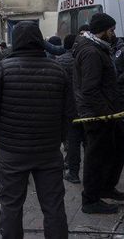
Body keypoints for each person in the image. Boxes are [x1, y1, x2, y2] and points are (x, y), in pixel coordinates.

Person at [0, 21, 73, 239]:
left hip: (12, 152)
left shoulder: (3, 70)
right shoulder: (58, 71)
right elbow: (69, 112)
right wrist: (59, 138)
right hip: (48, 151)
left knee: (11, 206)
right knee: (53, 206)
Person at [73, 13, 124, 214]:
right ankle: (90, 199)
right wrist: (105, 113)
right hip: (97, 114)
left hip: (106, 112)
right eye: (111, 30)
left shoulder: (98, 48)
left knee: (119, 146)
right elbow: (90, 89)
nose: (114, 34)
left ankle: (106, 187)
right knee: (96, 156)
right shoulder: (91, 52)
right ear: (103, 30)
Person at [57, 34, 84, 184]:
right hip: (86, 107)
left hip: (69, 108)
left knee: (73, 141)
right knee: (88, 142)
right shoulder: (84, 58)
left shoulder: (59, 61)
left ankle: (73, 172)